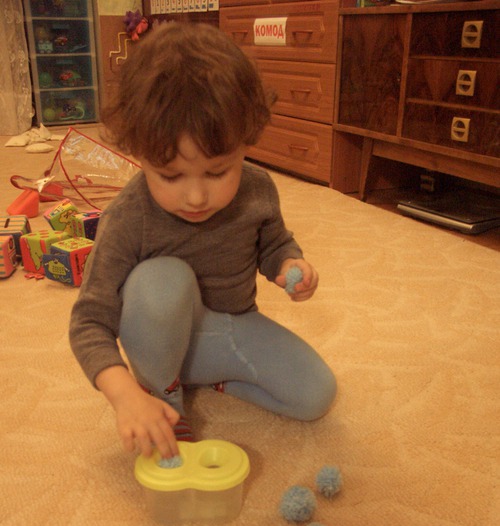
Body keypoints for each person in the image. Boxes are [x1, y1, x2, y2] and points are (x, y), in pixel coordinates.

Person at [69, 22, 336, 460]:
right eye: (170, 175)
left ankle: (208, 377)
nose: (196, 197)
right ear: (138, 154)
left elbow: (273, 244)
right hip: (155, 339)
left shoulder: (258, 189)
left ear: (246, 142)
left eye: (217, 172)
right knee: (162, 280)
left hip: (228, 330)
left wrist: (291, 265)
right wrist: (125, 395)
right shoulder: (129, 217)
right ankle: (163, 394)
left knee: (315, 395)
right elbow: (88, 322)